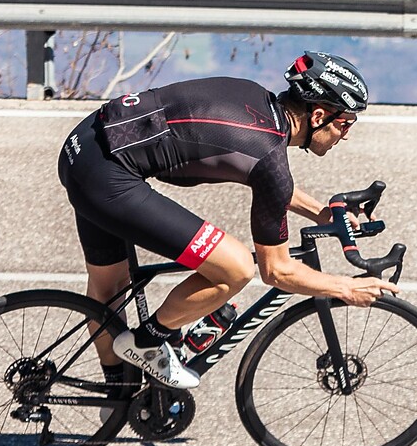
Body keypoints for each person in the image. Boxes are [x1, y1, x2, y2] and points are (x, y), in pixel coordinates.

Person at [56, 52, 396, 390]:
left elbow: (272, 184)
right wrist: (346, 287)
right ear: (319, 115)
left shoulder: (255, 101)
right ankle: (147, 341)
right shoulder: (268, 158)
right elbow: (276, 271)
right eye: (345, 123)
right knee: (235, 268)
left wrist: (325, 213)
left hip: (85, 145)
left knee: (108, 290)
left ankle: (119, 391)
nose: (346, 135)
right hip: (107, 178)